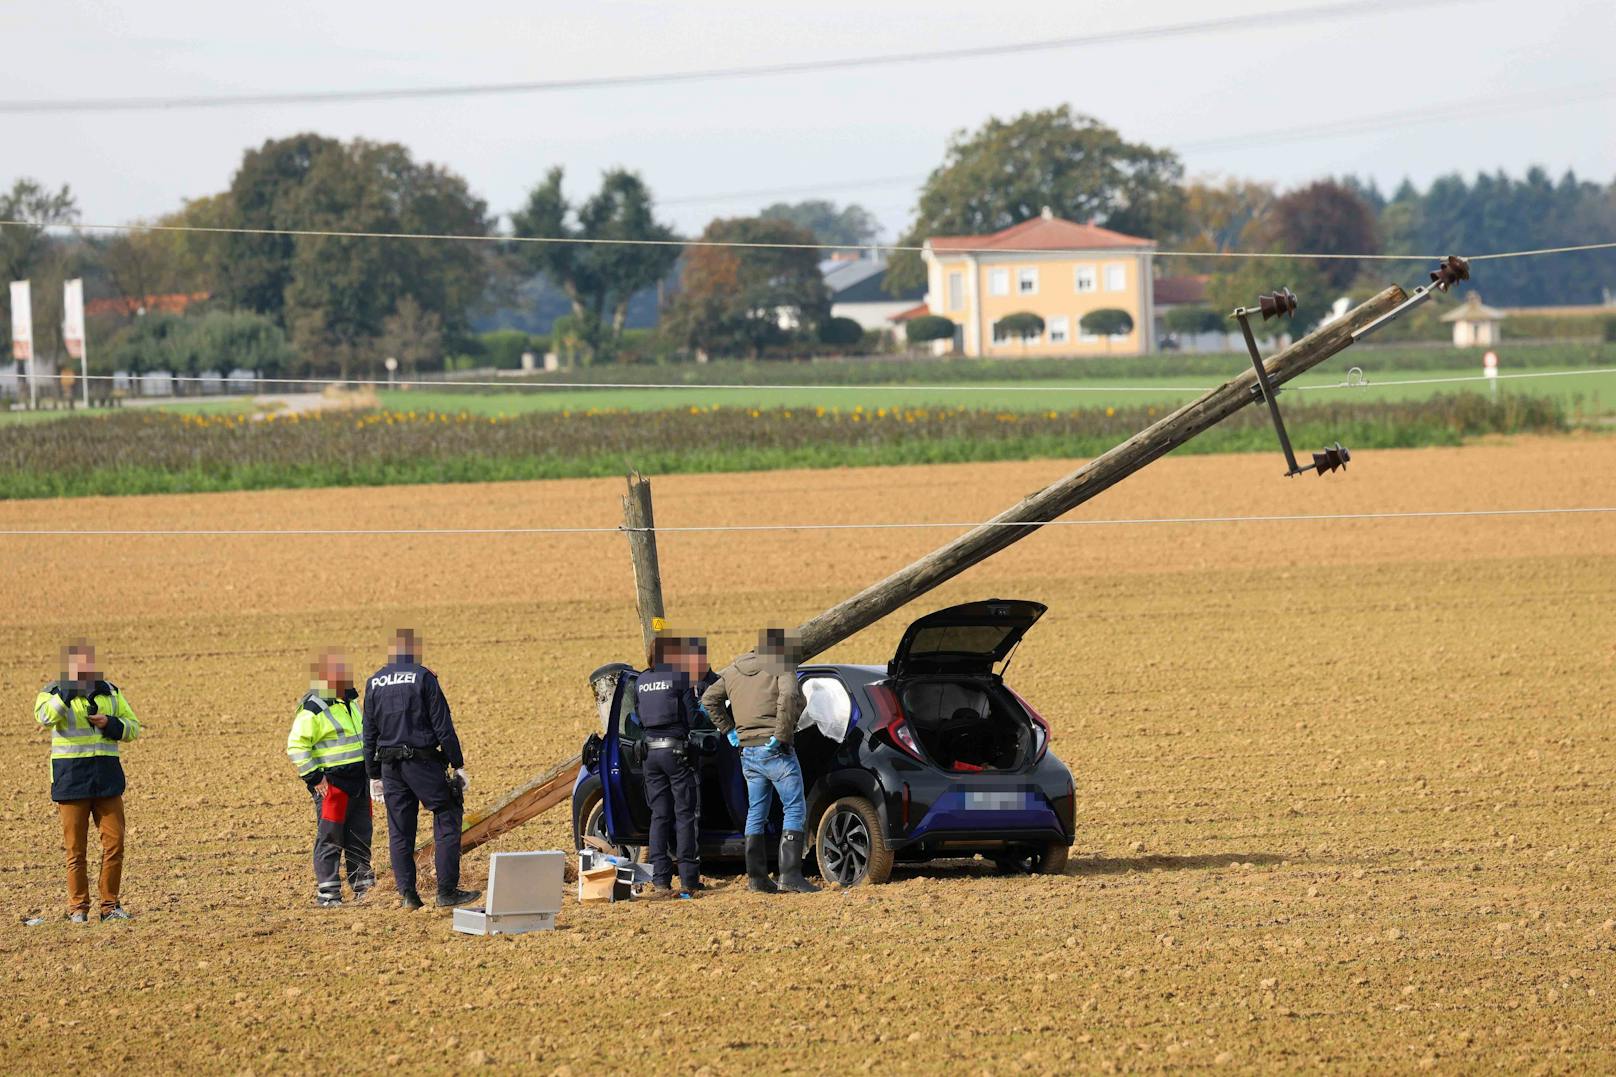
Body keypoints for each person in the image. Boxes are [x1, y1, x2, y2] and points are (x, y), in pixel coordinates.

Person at [362, 628, 479, 910]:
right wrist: (457, 763)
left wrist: (373, 774)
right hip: (423, 762)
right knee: (447, 814)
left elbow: (369, 731)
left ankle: (408, 896)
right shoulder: (424, 677)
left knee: (400, 831)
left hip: (390, 767)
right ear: (414, 651)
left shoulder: (375, 681)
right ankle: (446, 891)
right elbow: (443, 725)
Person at [701, 628, 820, 894]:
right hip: (775, 749)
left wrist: (730, 730)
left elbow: (709, 699)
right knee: (794, 808)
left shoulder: (733, 671)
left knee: (756, 811)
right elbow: (789, 697)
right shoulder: (782, 666)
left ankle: (756, 878)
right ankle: (790, 875)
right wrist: (782, 734)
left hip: (748, 752)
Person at [33, 640, 142, 923]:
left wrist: (111, 724)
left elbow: (133, 728)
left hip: (107, 780)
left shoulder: (111, 692)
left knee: (115, 844)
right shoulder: (52, 693)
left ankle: (110, 907)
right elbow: (45, 718)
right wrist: (68, 692)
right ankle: (78, 909)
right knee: (76, 851)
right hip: (72, 781)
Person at [286, 649, 374, 907]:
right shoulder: (314, 707)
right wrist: (314, 778)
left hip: (359, 782)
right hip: (332, 786)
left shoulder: (349, 702)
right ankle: (328, 895)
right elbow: (296, 746)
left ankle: (364, 889)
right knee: (331, 838)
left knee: (360, 836)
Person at [635, 637, 703, 898]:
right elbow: (692, 717)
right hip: (676, 752)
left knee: (659, 816)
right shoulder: (680, 677)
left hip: (650, 755)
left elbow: (638, 716)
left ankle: (660, 880)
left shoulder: (641, 681)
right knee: (684, 814)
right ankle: (688, 880)